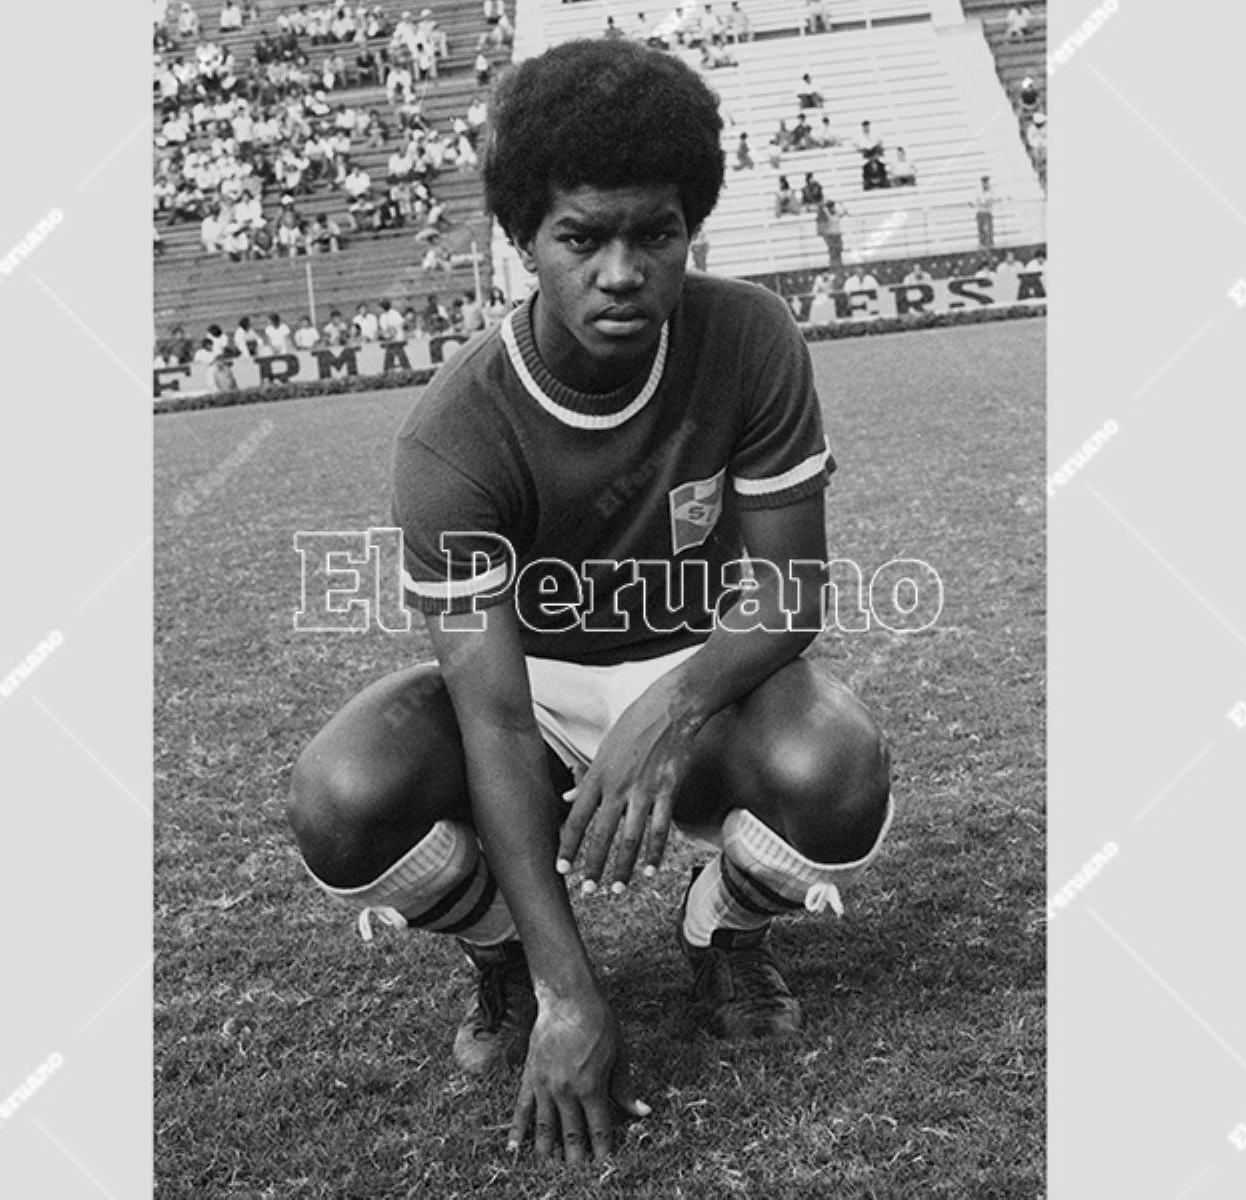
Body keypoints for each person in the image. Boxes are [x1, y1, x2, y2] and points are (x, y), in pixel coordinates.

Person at [287, 38, 891, 1167]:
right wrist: (575, 996)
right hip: (527, 698)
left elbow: (791, 589)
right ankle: (512, 953)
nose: (622, 271)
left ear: (689, 229)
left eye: (654, 234)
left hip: (702, 672)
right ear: (524, 242)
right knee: (342, 797)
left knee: (840, 771)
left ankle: (723, 932)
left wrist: (672, 711)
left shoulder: (749, 337)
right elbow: (499, 721)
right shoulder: (455, 433)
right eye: (582, 236)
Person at [814, 198, 847, 272]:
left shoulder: (836, 212)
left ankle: (840, 266)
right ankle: (833, 267)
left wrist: (842, 205)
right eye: (830, 206)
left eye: (832, 206)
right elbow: (820, 211)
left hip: (837, 234)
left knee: (839, 251)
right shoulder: (826, 214)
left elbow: (844, 212)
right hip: (831, 235)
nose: (831, 208)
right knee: (833, 252)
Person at [972, 174, 997, 250]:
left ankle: (990, 242)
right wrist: (984, 203)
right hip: (980, 212)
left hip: (988, 212)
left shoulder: (991, 190)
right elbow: (978, 201)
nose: (985, 184)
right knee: (981, 228)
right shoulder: (978, 191)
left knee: (989, 228)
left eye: (986, 182)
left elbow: (991, 200)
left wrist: (984, 202)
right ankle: (982, 243)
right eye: (984, 182)